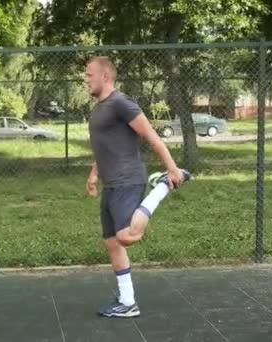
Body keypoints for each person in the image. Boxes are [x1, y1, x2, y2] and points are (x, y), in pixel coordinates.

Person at [84, 56, 190, 318]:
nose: (85, 79)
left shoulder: (121, 103)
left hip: (128, 179)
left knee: (126, 236)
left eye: (89, 75)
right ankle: (128, 302)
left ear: (105, 76)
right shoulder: (99, 108)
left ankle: (162, 186)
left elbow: (151, 136)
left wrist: (173, 169)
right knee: (112, 243)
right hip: (111, 184)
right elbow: (103, 145)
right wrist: (93, 174)